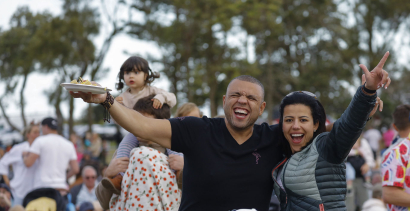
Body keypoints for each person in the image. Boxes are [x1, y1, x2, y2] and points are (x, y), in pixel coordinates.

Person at [69, 52, 391, 210]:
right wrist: (107, 100)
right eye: (235, 95)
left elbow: (324, 131)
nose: (242, 101)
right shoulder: (196, 130)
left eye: (251, 98)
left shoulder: (273, 137)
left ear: (262, 109)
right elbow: (142, 125)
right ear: (224, 101)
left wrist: (364, 99)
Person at [272, 52, 388, 210]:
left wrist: (367, 91)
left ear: (315, 124)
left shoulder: (325, 147)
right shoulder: (282, 154)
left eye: (303, 120)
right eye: (289, 120)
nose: (295, 126)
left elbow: (347, 126)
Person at [96, 95, 182, 211]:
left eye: (144, 121)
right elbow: (104, 203)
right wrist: (108, 174)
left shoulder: (179, 155)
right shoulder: (122, 154)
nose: (138, 125)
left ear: (162, 124)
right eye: (135, 120)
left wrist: (186, 168)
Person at [22, 117, 79, 194]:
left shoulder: (40, 141)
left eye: (41, 128)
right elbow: (75, 169)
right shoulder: (69, 144)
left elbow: (28, 163)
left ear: (46, 127)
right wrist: (64, 178)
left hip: (42, 187)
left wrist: (25, 156)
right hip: (61, 188)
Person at [0, 123, 40, 206]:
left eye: (39, 132)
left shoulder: (41, 148)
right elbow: (3, 162)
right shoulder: (19, 148)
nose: (38, 135)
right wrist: (7, 181)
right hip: (20, 190)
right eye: (35, 132)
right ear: (28, 134)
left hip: (36, 189)